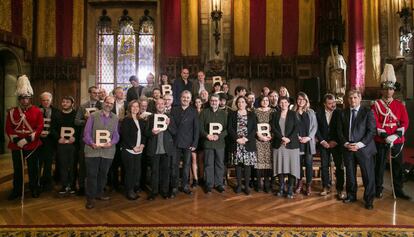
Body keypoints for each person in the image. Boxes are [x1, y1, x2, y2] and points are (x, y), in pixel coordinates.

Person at [372, 64, 410, 200]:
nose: (388, 91)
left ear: (394, 90)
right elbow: (374, 122)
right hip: (381, 139)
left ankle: (398, 189)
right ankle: (378, 188)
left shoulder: (400, 105)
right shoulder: (375, 105)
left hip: (397, 140)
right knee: (379, 166)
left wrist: (396, 135)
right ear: (382, 90)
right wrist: (384, 135)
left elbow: (405, 122)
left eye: (391, 89)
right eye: (386, 89)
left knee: (398, 166)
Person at [6, 75, 44, 200]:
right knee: (18, 169)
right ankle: (17, 190)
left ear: (30, 98)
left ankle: (34, 188)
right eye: (22, 98)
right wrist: (17, 140)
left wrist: (27, 139)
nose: (24, 101)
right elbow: (8, 127)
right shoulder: (12, 112)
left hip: (32, 144)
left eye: (27, 98)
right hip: (16, 145)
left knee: (33, 168)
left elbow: (39, 127)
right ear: (19, 99)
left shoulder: (37, 111)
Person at [337, 90, 376, 210]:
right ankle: (351, 195)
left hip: (363, 148)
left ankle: (369, 200)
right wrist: (345, 143)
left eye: (355, 98)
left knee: (367, 175)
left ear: (359, 98)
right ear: (347, 99)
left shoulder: (367, 112)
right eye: (350, 98)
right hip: (348, 148)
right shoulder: (343, 113)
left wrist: (359, 144)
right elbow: (339, 131)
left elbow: (371, 131)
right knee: (350, 174)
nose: (352, 100)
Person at [83, 96, 120, 209]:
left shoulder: (115, 118)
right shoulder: (93, 116)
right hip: (92, 150)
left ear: (113, 106)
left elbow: (116, 134)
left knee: (103, 174)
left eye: (111, 104)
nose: (109, 105)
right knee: (92, 175)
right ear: (104, 103)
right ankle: (90, 198)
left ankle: (99, 194)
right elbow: (86, 133)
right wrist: (91, 143)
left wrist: (112, 142)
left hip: (108, 151)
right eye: (107, 102)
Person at [145, 98, 176, 200]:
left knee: (165, 171)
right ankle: (154, 192)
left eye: (162, 103)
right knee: (154, 171)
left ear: (165, 105)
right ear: (155, 105)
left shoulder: (170, 117)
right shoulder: (150, 118)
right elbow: (146, 133)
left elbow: (174, 132)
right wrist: (152, 132)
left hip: (166, 149)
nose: (160, 105)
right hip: (154, 148)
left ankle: (164, 191)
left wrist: (168, 125)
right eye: (158, 104)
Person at [170, 90, 199, 195]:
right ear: (180, 98)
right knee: (174, 165)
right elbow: (171, 126)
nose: (185, 99)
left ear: (190, 100)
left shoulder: (193, 111)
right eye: (184, 97)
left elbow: (196, 129)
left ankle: (185, 186)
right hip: (175, 142)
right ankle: (174, 187)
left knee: (187, 165)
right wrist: (176, 136)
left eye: (187, 97)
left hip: (188, 143)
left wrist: (195, 143)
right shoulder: (174, 110)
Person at [74, 86, 102, 195]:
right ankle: (81, 187)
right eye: (94, 93)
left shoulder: (102, 106)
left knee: (98, 164)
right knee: (83, 163)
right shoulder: (83, 106)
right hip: (85, 138)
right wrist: (86, 121)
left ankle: (98, 187)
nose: (96, 95)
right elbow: (76, 121)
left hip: (99, 138)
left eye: (98, 93)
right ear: (90, 93)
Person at [316, 94, 345, 199]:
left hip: (336, 144)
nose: (333, 105)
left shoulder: (340, 112)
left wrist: (336, 141)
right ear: (324, 104)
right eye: (330, 103)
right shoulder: (318, 113)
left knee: (339, 166)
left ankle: (340, 189)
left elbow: (342, 129)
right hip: (324, 143)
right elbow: (316, 129)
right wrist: (322, 141)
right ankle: (325, 187)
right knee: (324, 166)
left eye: (334, 102)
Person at [228, 96, 257, 195]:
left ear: (246, 103)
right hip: (236, 143)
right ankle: (239, 185)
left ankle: (247, 186)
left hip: (248, 143)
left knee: (247, 165)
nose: (241, 104)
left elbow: (254, 129)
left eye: (243, 102)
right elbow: (230, 128)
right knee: (238, 165)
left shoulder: (252, 115)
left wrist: (246, 138)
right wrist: (237, 139)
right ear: (236, 104)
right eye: (239, 102)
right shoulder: (232, 114)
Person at [271, 96, 300, 199]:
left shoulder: (293, 114)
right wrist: (282, 137)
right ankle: (281, 187)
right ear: (279, 104)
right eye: (281, 102)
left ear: (288, 103)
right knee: (280, 166)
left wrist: (289, 138)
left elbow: (297, 128)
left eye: (285, 102)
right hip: (279, 143)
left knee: (292, 167)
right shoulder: (275, 114)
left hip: (291, 144)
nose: (283, 104)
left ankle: (290, 189)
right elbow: (273, 128)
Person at [199, 94, 228, 193]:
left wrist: (219, 136)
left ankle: (219, 184)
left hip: (220, 143)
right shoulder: (204, 113)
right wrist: (207, 135)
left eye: (216, 101)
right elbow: (200, 128)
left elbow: (227, 129)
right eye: (212, 100)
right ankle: (209, 184)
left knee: (220, 164)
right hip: (208, 143)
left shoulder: (224, 114)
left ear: (219, 102)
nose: (214, 102)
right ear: (209, 101)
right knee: (208, 164)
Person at [120, 100, 146, 200]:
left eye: (137, 106)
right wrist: (132, 147)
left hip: (139, 150)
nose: (135, 108)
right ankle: (129, 191)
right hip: (128, 150)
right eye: (133, 106)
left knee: (136, 171)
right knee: (129, 171)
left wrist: (142, 145)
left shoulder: (141, 120)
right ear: (129, 108)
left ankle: (134, 188)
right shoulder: (126, 120)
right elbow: (125, 135)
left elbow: (144, 134)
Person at [51, 96, 78, 196]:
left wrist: (75, 137)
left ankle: (72, 186)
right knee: (62, 165)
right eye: (63, 101)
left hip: (73, 145)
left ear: (72, 104)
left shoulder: (76, 114)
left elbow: (79, 128)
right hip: (61, 144)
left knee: (73, 165)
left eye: (67, 102)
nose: (65, 103)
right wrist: (58, 138)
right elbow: (52, 129)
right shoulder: (57, 115)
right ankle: (64, 185)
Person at [293, 92, 317, 196]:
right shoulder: (293, 112)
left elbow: (314, 127)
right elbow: (291, 127)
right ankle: (299, 183)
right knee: (297, 165)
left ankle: (308, 185)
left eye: (303, 99)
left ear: (306, 101)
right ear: (296, 101)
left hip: (308, 142)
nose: (301, 101)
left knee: (308, 164)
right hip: (297, 142)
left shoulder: (311, 112)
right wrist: (296, 136)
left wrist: (308, 137)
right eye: (299, 99)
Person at [38, 91, 59, 192]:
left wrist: (50, 132)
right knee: (37, 163)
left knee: (48, 163)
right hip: (37, 141)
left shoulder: (56, 111)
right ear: (40, 101)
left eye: (48, 100)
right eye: (44, 100)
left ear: (51, 100)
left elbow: (58, 126)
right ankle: (36, 182)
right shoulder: (35, 110)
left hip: (50, 141)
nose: (46, 102)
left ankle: (47, 183)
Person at [108, 87, 128, 191]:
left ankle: (124, 183)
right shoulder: (111, 105)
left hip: (125, 135)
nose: (121, 94)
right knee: (114, 160)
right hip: (113, 134)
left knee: (124, 160)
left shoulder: (128, 104)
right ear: (115, 94)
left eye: (122, 92)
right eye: (119, 92)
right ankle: (114, 183)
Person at [254, 96, 273, 193]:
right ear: (260, 101)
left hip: (269, 140)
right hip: (259, 139)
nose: (265, 102)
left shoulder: (273, 111)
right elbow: (253, 125)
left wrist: (271, 136)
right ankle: (258, 184)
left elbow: (275, 125)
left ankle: (267, 184)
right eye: (263, 100)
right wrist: (259, 135)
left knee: (268, 162)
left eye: (267, 100)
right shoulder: (255, 111)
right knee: (259, 161)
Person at [191, 97, 204, 187]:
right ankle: (195, 179)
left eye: (199, 102)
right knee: (194, 159)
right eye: (196, 102)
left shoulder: (204, 112)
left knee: (201, 160)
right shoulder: (191, 112)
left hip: (202, 138)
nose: (197, 103)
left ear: (201, 103)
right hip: (193, 139)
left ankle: (201, 178)